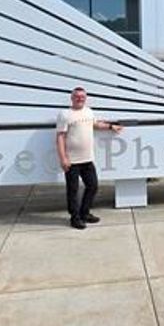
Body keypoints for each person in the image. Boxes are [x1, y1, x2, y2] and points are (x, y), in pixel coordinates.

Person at [56, 86, 123, 229]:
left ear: (85, 98)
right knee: (73, 191)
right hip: (72, 160)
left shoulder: (88, 111)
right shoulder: (65, 114)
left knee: (92, 186)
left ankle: (84, 213)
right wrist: (63, 158)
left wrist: (111, 127)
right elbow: (60, 137)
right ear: (72, 98)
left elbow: (95, 124)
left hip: (87, 159)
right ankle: (75, 218)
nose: (80, 99)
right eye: (77, 96)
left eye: (82, 97)